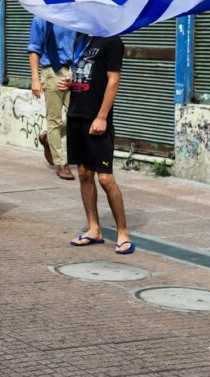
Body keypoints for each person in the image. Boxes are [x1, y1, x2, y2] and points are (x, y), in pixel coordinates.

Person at [58, 33, 133, 255]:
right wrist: (71, 84)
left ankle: (123, 233)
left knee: (106, 178)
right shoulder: (81, 40)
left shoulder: (111, 41)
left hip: (97, 119)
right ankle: (94, 229)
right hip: (76, 116)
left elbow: (113, 80)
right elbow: (89, 76)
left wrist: (101, 116)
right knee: (83, 173)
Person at [27, 17, 75, 180]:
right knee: (54, 119)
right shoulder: (41, 18)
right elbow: (34, 48)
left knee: (76, 117)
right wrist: (35, 79)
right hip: (52, 72)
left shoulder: (75, 16)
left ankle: (48, 137)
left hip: (74, 73)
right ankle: (61, 163)